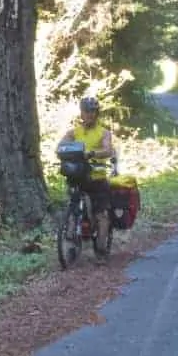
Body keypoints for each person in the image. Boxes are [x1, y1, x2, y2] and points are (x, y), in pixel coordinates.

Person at [58, 96, 116, 262]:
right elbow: (61, 145)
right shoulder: (74, 132)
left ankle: (101, 250)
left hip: (97, 177)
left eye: (92, 112)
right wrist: (63, 150)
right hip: (78, 176)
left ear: (97, 114)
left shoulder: (103, 132)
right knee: (73, 208)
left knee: (101, 215)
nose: (89, 115)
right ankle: (71, 242)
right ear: (81, 113)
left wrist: (92, 153)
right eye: (86, 111)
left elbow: (107, 150)